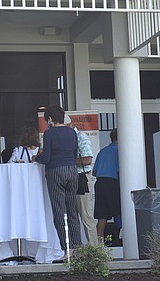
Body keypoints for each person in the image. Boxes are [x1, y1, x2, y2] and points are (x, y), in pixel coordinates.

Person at [34, 105, 82, 255]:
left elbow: (46, 157)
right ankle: (76, 248)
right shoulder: (72, 133)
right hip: (71, 171)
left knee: (59, 212)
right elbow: (74, 154)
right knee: (72, 211)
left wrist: (36, 158)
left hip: (55, 171)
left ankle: (66, 250)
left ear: (50, 119)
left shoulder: (49, 134)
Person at [65, 114, 99, 245]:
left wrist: (67, 161)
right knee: (72, 217)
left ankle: (94, 250)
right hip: (68, 178)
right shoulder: (67, 138)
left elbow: (87, 160)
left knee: (86, 215)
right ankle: (76, 249)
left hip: (81, 178)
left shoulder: (80, 137)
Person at [92, 128, 121, 243]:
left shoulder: (103, 151)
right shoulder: (120, 151)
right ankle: (120, 241)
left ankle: (98, 244)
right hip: (113, 183)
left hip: (100, 183)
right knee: (119, 212)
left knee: (102, 216)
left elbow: (94, 172)